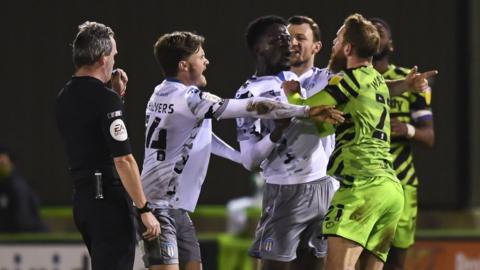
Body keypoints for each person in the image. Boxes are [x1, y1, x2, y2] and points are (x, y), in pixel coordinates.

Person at [138, 31, 342, 270]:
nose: (206, 62)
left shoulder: (160, 92)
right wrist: (304, 111)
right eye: (201, 57)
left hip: (176, 207)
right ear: (184, 65)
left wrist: (239, 157)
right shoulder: (189, 99)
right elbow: (251, 106)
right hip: (158, 205)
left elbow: (200, 138)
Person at [284, 13, 408, 270]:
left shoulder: (348, 82)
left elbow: (308, 112)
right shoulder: (375, 80)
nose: (334, 41)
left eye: (338, 37)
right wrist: (406, 84)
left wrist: (293, 96)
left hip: (361, 187)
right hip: (391, 190)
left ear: (349, 48)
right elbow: (325, 125)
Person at [235, 15, 341, 270]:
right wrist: (275, 133)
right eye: (279, 39)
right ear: (259, 48)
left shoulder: (302, 82)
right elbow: (249, 160)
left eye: (290, 38)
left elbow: (337, 69)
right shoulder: (248, 95)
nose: (289, 43)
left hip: (322, 188)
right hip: (285, 191)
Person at [55, 21, 160, 270]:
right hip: (108, 202)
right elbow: (123, 159)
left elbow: (91, 132)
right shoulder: (105, 99)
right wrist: (143, 208)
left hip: (84, 202)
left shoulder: (64, 96)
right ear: (103, 58)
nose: (114, 60)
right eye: (113, 55)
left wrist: (115, 96)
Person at [371, 17, 435, 270]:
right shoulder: (348, 80)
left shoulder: (411, 80)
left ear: (391, 45)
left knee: (395, 262)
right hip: (362, 184)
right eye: (370, 32)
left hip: (402, 180)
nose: (375, 35)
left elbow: (429, 137)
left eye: (381, 32)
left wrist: (406, 129)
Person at [0, 145, 47, 232]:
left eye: (2, 163)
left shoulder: (17, 187)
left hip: (31, 240)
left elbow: (23, 221)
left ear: (11, 163)